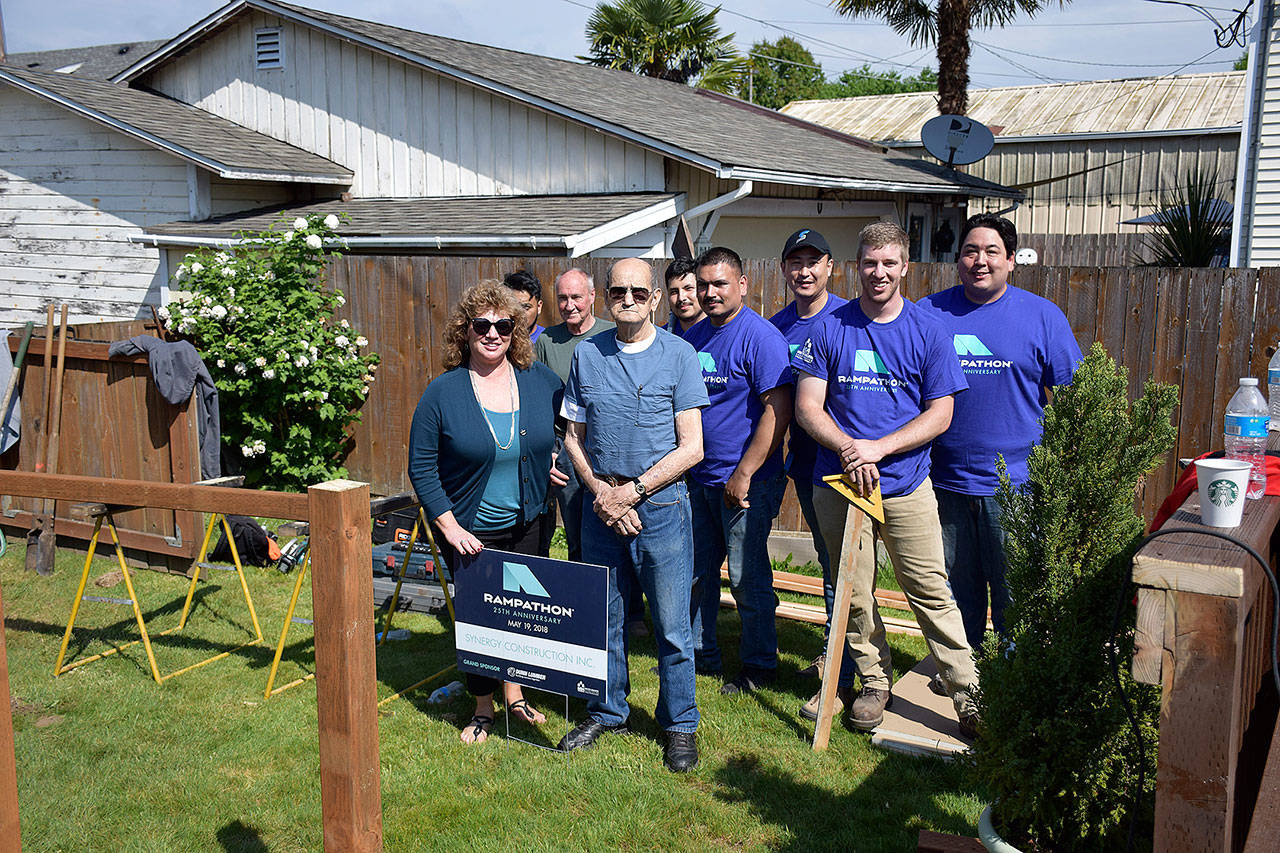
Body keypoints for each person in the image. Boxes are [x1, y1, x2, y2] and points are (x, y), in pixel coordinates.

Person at [793, 221, 980, 738]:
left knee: (929, 590)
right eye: (870, 263)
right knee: (854, 592)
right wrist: (850, 449)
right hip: (840, 482)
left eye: (889, 263)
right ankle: (874, 683)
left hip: (905, 483)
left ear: (905, 268)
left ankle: (970, 696)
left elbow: (940, 413)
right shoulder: (830, 329)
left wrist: (878, 447)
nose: (879, 273)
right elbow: (809, 407)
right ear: (858, 266)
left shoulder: (928, 331)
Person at [558, 258, 708, 772]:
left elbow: (692, 448)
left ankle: (680, 724)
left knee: (671, 626)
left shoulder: (680, 355)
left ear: (655, 299)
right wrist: (601, 491)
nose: (628, 299)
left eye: (638, 292)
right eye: (618, 291)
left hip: (661, 507)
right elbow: (572, 436)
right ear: (605, 295)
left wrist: (634, 492)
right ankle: (607, 709)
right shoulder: (586, 356)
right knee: (605, 620)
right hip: (601, 507)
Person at [407, 281, 566, 744]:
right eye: (483, 325)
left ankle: (514, 694)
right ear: (466, 330)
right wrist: (449, 525)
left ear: (516, 330)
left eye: (503, 325)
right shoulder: (443, 393)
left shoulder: (540, 382)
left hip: (531, 521)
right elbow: (421, 466)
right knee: (478, 620)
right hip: (469, 528)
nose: (493, 333)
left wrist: (552, 457)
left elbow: (562, 429)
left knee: (520, 612)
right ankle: (482, 707)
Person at [920, 214, 1081, 650]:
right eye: (971, 251)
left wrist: (1065, 469)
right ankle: (963, 677)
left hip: (1016, 486)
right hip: (943, 482)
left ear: (1011, 260)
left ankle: (1013, 679)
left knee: (1015, 595)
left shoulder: (1042, 317)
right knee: (955, 592)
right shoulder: (928, 314)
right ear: (958, 260)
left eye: (992, 252)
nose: (980, 261)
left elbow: (1073, 398)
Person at [684, 246, 793, 694]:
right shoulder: (692, 339)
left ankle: (759, 665)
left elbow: (777, 411)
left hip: (747, 483)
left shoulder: (761, 337)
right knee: (696, 573)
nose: (710, 293)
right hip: (698, 479)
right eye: (703, 285)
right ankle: (700, 655)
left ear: (742, 285)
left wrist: (744, 472)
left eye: (719, 284)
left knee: (748, 578)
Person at [767, 228, 849, 699]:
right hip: (805, 463)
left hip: (852, 462)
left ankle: (846, 672)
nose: (804, 271)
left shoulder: (849, 319)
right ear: (784, 270)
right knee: (829, 562)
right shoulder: (778, 328)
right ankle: (832, 654)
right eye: (795, 263)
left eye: (813, 262)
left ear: (829, 267)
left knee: (848, 568)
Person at [534, 269, 615, 564]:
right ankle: (580, 596)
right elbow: (538, 400)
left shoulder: (610, 334)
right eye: (563, 298)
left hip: (602, 444)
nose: (570, 305)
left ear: (592, 297)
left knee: (607, 526)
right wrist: (548, 453)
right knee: (574, 531)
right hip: (563, 445)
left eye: (576, 297)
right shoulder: (547, 341)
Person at [665, 256, 704, 337]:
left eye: (688, 288)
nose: (681, 298)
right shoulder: (661, 337)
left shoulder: (717, 334)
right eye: (674, 292)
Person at [503, 269, 546, 343]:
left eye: (526, 307)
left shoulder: (547, 342)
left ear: (539, 307)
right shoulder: (498, 339)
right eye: (514, 307)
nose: (520, 314)